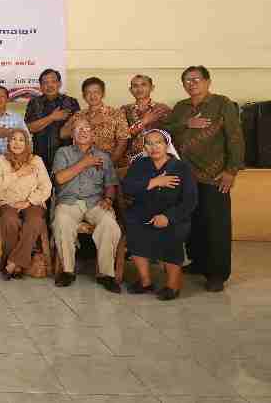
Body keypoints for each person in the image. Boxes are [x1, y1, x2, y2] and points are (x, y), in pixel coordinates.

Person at [164, 65, 244, 292]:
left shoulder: (222, 104)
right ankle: (199, 263)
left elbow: (236, 139)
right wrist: (185, 124)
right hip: (186, 177)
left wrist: (231, 170)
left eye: (196, 79)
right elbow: (166, 131)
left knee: (215, 225)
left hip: (215, 176)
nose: (192, 84)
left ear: (208, 82)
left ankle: (217, 274)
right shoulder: (180, 107)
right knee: (193, 223)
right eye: (187, 80)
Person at [122, 129, 198, 300]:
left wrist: (168, 217)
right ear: (144, 147)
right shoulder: (140, 164)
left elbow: (190, 200)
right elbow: (127, 188)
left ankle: (172, 286)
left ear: (167, 145)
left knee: (173, 235)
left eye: (158, 143)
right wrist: (154, 182)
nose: (154, 147)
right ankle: (145, 282)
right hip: (143, 211)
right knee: (135, 227)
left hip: (173, 215)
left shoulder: (181, 167)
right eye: (149, 143)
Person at [52, 118, 122, 293]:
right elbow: (59, 179)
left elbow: (110, 184)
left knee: (110, 224)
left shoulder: (104, 156)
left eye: (87, 128)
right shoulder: (63, 153)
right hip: (69, 202)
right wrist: (85, 163)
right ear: (73, 135)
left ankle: (106, 275)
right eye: (78, 129)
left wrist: (109, 199)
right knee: (61, 221)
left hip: (95, 202)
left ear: (93, 135)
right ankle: (68, 271)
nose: (83, 131)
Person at [0, 128, 52, 280]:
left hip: (32, 202)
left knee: (35, 221)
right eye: (13, 139)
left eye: (21, 140)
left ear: (27, 143)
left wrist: (28, 202)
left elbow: (46, 187)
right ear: (8, 142)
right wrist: (18, 173)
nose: (17, 143)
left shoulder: (36, 160)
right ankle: (18, 263)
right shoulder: (0, 160)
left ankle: (12, 263)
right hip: (8, 202)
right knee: (9, 220)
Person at [61, 77, 129, 166]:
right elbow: (62, 134)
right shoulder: (79, 115)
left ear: (103, 94)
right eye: (88, 93)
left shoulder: (116, 114)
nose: (92, 96)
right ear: (83, 96)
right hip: (80, 163)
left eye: (96, 92)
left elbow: (122, 143)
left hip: (107, 162)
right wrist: (87, 122)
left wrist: (109, 164)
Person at [24, 68, 80, 171]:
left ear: (59, 84)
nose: (49, 86)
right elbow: (29, 128)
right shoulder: (34, 103)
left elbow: (76, 130)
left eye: (53, 82)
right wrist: (52, 117)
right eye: (45, 83)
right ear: (41, 86)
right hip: (39, 157)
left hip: (66, 157)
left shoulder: (71, 102)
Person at [120, 75, 170, 168]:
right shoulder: (124, 110)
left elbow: (169, 135)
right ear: (130, 90)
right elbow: (123, 135)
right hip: (131, 159)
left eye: (143, 85)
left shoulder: (162, 109)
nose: (139, 89)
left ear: (152, 88)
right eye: (135, 86)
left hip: (158, 158)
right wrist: (144, 121)